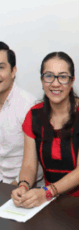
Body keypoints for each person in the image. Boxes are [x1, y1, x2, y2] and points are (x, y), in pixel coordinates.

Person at [11, 52, 79, 207]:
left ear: (72, 81)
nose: (55, 84)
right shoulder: (33, 115)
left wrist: (47, 192)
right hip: (49, 201)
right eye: (49, 76)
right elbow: (29, 166)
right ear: (42, 80)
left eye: (63, 77)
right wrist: (23, 185)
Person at [0, 42, 36, 184]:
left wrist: (17, 186)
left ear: (13, 71)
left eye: (1, 67)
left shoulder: (28, 105)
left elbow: (39, 162)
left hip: (23, 185)